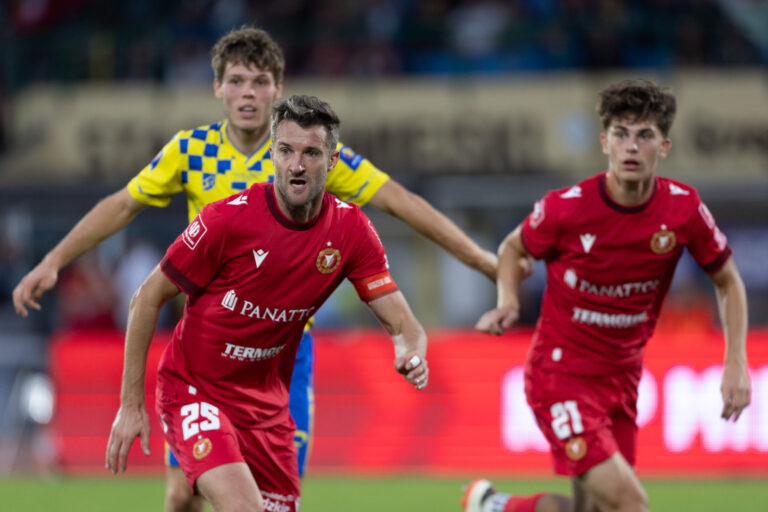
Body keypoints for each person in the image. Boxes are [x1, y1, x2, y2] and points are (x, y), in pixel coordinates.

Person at [12, 26, 496, 512]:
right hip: (207, 351)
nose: (248, 93)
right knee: (183, 493)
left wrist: (479, 260)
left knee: (270, 502)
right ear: (218, 88)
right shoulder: (192, 152)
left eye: (260, 82)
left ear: (277, 89)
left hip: (285, 356)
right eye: (237, 81)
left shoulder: (311, 152)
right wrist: (55, 259)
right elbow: (121, 206)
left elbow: (402, 202)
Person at [105, 95, 429, 512]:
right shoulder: (227, 220)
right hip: (195, 390)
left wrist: (410, 351)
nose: (297, 165)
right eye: (286, 151)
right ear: (272, 155)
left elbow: (404, 322)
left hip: (266, 408)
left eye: (311, 153)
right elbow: (145, 298)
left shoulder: (351, 230)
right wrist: (130, 405)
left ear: (332, 161)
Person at [466, 79, 750, 512]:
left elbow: (728, 281)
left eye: (645, 135)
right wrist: (508, 300)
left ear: (664, 147)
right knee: (630, 505)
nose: (631, 146)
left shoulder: (684, 209)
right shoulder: (567, 207)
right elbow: (513, 248)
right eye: (621, 133)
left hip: (622, 378)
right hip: (560, 375)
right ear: (604, 143)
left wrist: (736, 363)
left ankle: (493, 506)